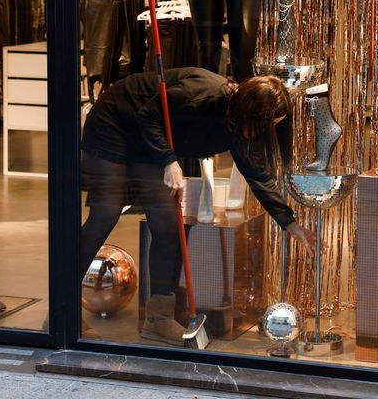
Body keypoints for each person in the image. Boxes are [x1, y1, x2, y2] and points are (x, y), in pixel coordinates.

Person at [80, 67, 317, 345]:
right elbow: (148, 114)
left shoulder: (238, 124)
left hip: (148, 142)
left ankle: (158, 319)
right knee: (105, 214)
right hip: (115, 122)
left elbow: (256, 174)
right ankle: (64, 311)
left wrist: (289, 222)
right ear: (249, 111)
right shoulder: (202, 96)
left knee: (168, 226)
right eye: (266, 126)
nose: (267, 133)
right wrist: (169, 161)